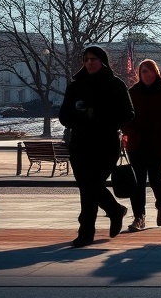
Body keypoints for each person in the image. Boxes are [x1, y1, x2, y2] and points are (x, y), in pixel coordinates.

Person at [60, 45, 134, 247]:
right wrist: (81, 115)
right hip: (81, 143)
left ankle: (86, 231)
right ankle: (114, 210)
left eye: (93, 59)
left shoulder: (115, 84)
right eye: (86, 59)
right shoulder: (75, 86)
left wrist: (100, 116)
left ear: (102, 61)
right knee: (87, 186)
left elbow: (128, 114)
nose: (89, 63)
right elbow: (64, 116)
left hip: (105, 143)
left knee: (91, 185)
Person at [123, 59, 161, 231]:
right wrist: (129, 132)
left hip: (158, 144)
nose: (146, 75)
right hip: (137, 144)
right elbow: (124, 116)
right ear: (139, 74)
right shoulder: (132, 92)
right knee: (138, 182)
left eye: (149, 71)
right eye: (143, 72)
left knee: (156, 179)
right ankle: (139, 217)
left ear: (156, 72)